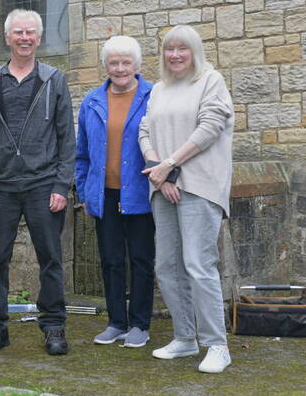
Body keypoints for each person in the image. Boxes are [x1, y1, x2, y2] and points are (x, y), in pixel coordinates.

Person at [0, 9, 75, 355]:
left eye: (30, 32)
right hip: (0, 187)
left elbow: (66, 138)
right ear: (8, 37)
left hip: (44, 184)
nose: (25, 38)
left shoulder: (53, 80)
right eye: (18, 32)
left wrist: (62, 186)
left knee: (50, 259)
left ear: (39, 38)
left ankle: (54, 326)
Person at [139, 25, 235, 373]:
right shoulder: (160, 89)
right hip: (163, 185)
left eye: (182, 49)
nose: (175, 55)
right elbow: (145, 131)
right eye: (169, 49)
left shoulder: (210, 81)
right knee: (166, 267)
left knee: (198, 264)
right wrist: (159, 172)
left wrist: (169, 165)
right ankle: (185, 338)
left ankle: (217, 345)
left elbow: (209, 128)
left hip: (199, 186)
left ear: (195, 51)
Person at [75, 36, 156, 348]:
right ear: (106, 66)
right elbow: (82, 154)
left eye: (126, 62)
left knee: (140, 260)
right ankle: (116, 322)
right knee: (110, 260)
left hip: (140, 193)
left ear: (136, 65)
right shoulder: (92, 101)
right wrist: (84, 192)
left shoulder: (153, 96)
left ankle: (139, 324)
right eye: (114, 62)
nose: (120, 68)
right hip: (103, 195)